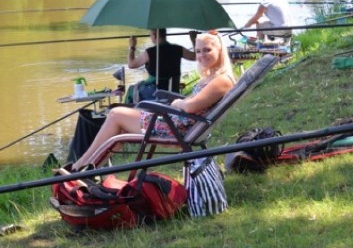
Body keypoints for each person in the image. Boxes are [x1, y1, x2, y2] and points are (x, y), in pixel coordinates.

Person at [71, 32, 235, 171]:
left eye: (207, 50)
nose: (201, 55)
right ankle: (88, 169)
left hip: (177, 128)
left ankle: (78, 168)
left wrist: (178, 102)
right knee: (118, 129)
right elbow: (193, 104)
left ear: (220, 51)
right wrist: (180, 103)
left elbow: (190, 106)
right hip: (178, 123)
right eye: (198, 51)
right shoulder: (212, 77)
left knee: (115, 114)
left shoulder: (221, 80)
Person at [127, 28, 197, 101]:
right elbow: (195, 56)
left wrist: (132, 46)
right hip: (173, 91)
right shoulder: (178, 49)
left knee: (131, 90)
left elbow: (131, 64)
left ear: (154, 35)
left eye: (150, 35)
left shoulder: (150, 52)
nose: (150, 37)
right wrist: (194, 39)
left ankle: (131, 111)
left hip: (155, 93)